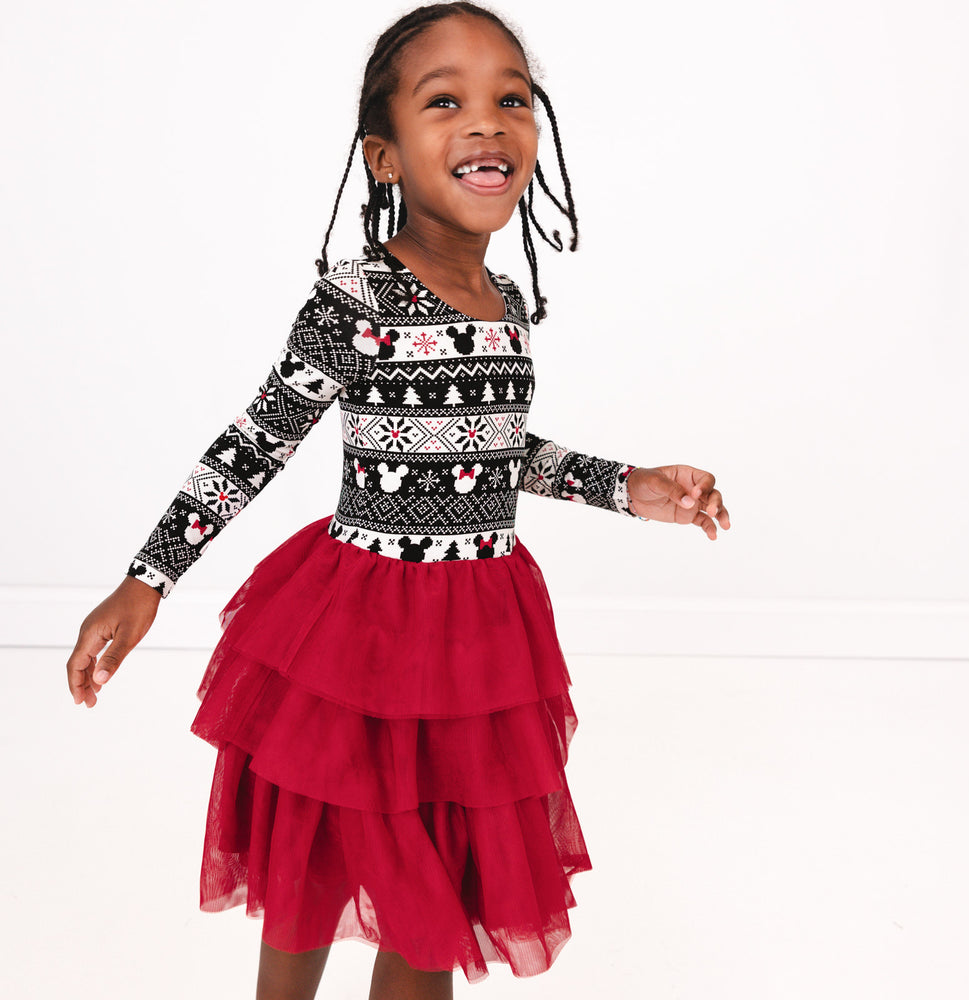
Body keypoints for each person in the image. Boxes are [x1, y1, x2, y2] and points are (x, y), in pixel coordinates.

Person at [66, 3, 731, 998]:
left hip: (477, 639)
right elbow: (257, 440)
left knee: (439, 892)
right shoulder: (359, 300)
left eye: (510, 98)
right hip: (359, 633)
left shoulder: (505, 304)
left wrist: (628, 488)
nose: (485, 121)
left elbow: (494, 453)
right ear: (384, 157)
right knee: (317, 860)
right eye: (444, 101)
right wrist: (146, 578)